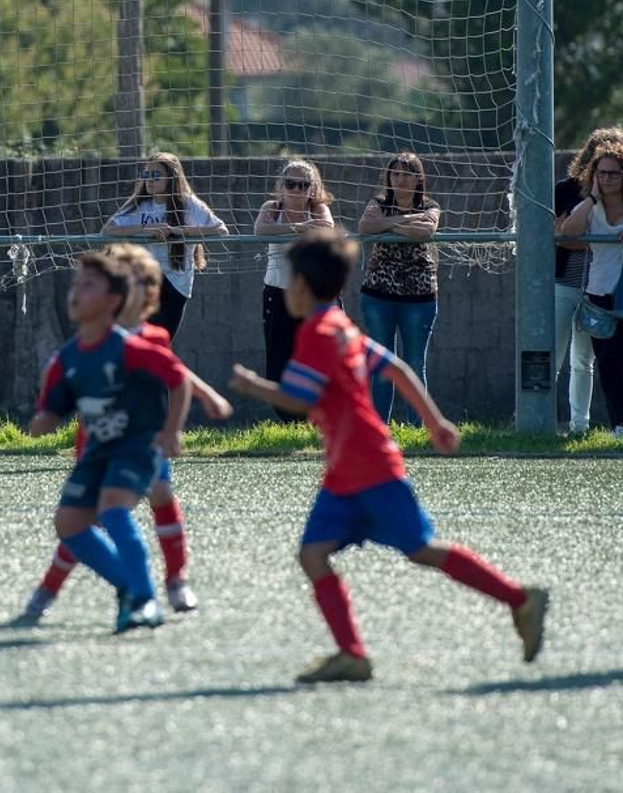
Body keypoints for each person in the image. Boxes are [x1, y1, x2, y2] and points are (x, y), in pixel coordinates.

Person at [228, 229, 549, 684]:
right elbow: (396, 368)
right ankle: (352, 655)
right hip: (345, 471)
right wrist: (434, 421)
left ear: (300, 285)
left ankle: (520, 599)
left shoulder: (317, 332)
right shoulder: (341, 327)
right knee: (314, 555)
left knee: (421, 550)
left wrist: (252, 384)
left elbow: (299, 399)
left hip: (371, 469)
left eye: (290, 279)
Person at [18, 244, 232, 624]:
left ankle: (175, 580)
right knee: (84, 520)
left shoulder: (148, 337)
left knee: (156, 495)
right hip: (98, 441)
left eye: (134, 279)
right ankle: (51, 587)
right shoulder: (84, 345)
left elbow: (176, 373)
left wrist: (206, 397)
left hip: (144, 439)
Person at [559, 139, 623, 438]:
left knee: (611, 364)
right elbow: (568, 232)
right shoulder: (589, 209)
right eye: (601, 173)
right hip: (598, 299)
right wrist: (591, 198)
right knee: (613, 368)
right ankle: (622, 428)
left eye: (613, 173)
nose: (606, 179)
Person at [553, 129, 623, 432]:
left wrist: (582, 238)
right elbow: (559, 234)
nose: (608, 173)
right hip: (564, 282)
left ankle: (579, 425)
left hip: (599, 289)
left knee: (582, 360)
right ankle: (540, 422)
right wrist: (597, 240)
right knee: (553, 356)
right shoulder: (566, 189)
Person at [101, 151, 228, 338]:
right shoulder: (139, 205)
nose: (149, 180)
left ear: (171, 177)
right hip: (145, 282)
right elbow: (108, 230)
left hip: (177, 284)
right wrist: (146, 229)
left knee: (159, 343)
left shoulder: (190, 204)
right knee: (137, 342)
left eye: (155, 175)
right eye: (146, 175)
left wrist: (177, 231)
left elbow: (221, 231)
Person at [357, 152, 441, 425]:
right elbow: (366, 226)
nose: (400, 179)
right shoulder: (378, 203)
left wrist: (390, 225)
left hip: (419, 296)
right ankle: (378, 428)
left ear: (418, 178)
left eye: (407, 174)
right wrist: (403, 221)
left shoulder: (430, 206)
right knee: (381, 364)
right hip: (378, 295)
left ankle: (416, 428)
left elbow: (425, 231)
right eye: (395, 174)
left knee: (415, 363)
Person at [254, 159, 335, 416]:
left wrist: (304, 228)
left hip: (312, 297)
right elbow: (260, 229)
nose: (297, 190)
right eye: (291, 184)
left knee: (315, 355)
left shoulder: (319, 209)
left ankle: (315, 414)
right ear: (281, 186)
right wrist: (296, 229)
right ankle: (288, 417)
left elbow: (327, 228)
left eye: (304, 185)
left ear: (313, 188)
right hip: (278, 294)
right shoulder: (271, 207)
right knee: (279, 355)